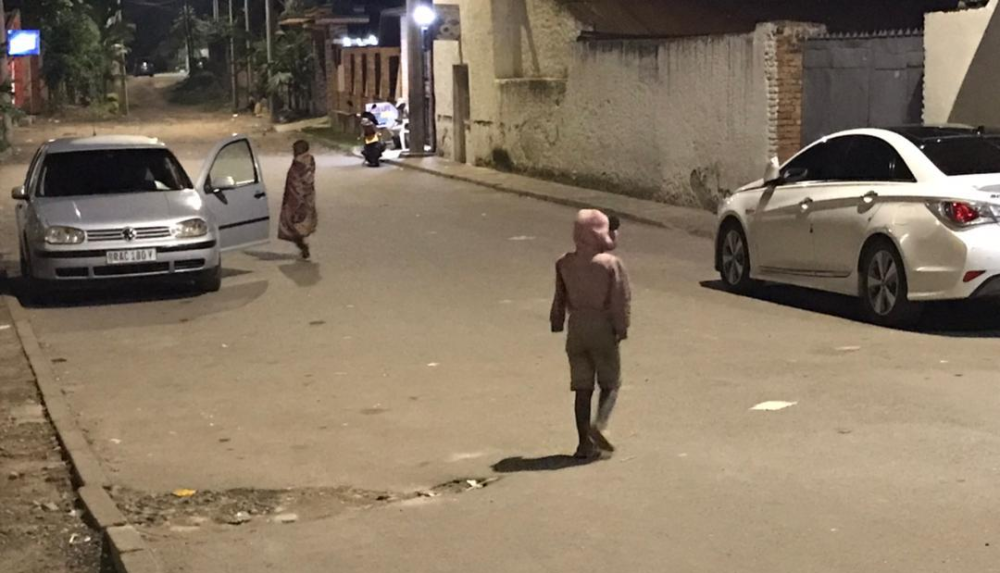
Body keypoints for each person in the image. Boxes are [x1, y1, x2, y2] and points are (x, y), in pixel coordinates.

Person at [550, 209, 631, 459]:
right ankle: (600, 425)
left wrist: (557, 322)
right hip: (602, 327)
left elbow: (559, 298)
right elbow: (620, 300)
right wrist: (621, 327)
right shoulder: (610, 264)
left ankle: (583, 444)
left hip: (576, 330)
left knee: (582, 388)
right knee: (610, 383)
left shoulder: (564, 263)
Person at [278, 140, 318, 259]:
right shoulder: (310, 160)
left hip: (296, 199)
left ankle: (302, 246)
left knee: (292, 225)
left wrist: (297, 198)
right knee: (301, 224)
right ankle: (302, 246)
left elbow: (297, 183)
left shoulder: (299, 164)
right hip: (308, 197)